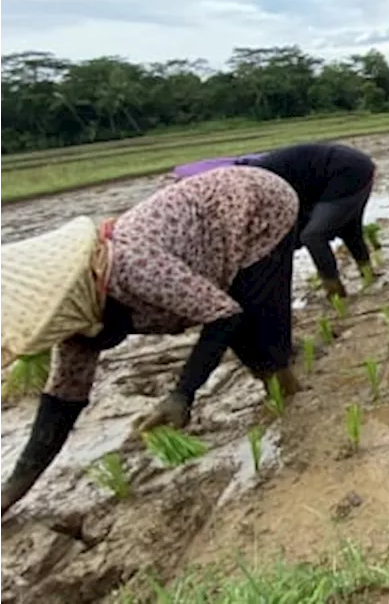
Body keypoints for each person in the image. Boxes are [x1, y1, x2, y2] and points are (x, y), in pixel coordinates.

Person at [0, 166, 303, 518]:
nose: (75, 343)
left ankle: (294, 404)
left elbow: (224, 315)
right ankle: (287, 399)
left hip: (255, 206)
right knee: (245, 335)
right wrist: (11, 491)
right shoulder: (76, 324)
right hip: (206, 243)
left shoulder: (131, 266)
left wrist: (182, 394)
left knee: (257, 332)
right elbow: (61, 403)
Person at [173, 143, 379, 299]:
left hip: (345, 172)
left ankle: (335, 292)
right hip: (355, 167)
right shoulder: (255, 174)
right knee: (349, 230)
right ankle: (368, 274)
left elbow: (278, 225)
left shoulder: (255, 183)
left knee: (313, 236)